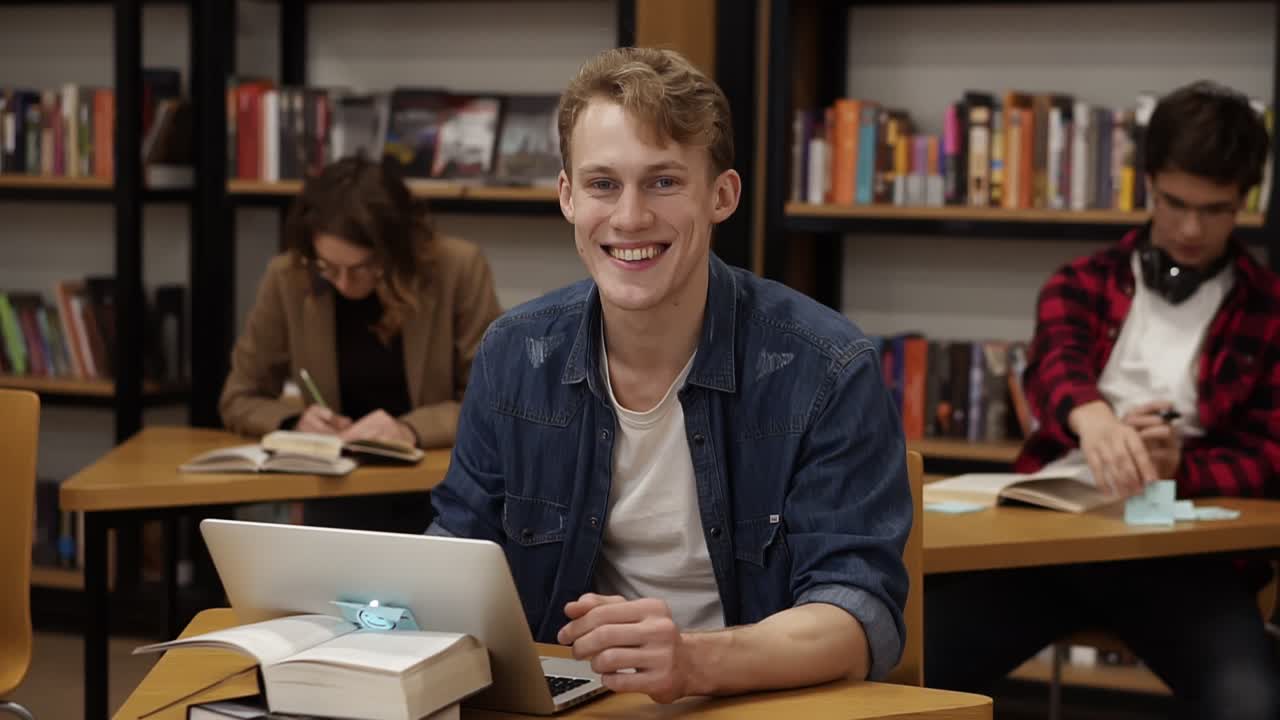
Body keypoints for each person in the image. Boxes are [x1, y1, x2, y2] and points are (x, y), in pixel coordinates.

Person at [427, 47, 911, 703]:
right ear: (567, 197)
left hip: (757, 702)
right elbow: (454, 555)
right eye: (603, 184)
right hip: (575, 704)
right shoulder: (515, 353)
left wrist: (696, 663)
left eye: (662, 182)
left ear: (721, 195)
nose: (629, 218)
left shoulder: (827, 366)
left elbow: (858, 618)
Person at [926, 81, 1280, 719]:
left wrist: (1180, 469)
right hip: (1048, 544)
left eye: (1217, 209)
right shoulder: (1081, 281)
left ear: (1245, 201)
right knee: (907, 665)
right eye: (1175, 203)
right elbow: (1053, 364)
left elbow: (1271, 455)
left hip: (1182, 559)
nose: (1192, 228)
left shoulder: (1269, 309)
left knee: (1250, 703)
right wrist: (1092, 419)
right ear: (1148, 183)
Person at [219, 156, 502, 533]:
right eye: (329, 269)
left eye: (364, 267)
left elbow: (493, 402)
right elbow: (239, 397)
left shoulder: (457, 269)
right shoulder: (289, 277)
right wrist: (294, 422)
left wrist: (409, 430)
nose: (345, 284)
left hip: (442, 488)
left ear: (395, 251)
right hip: (337, 493)